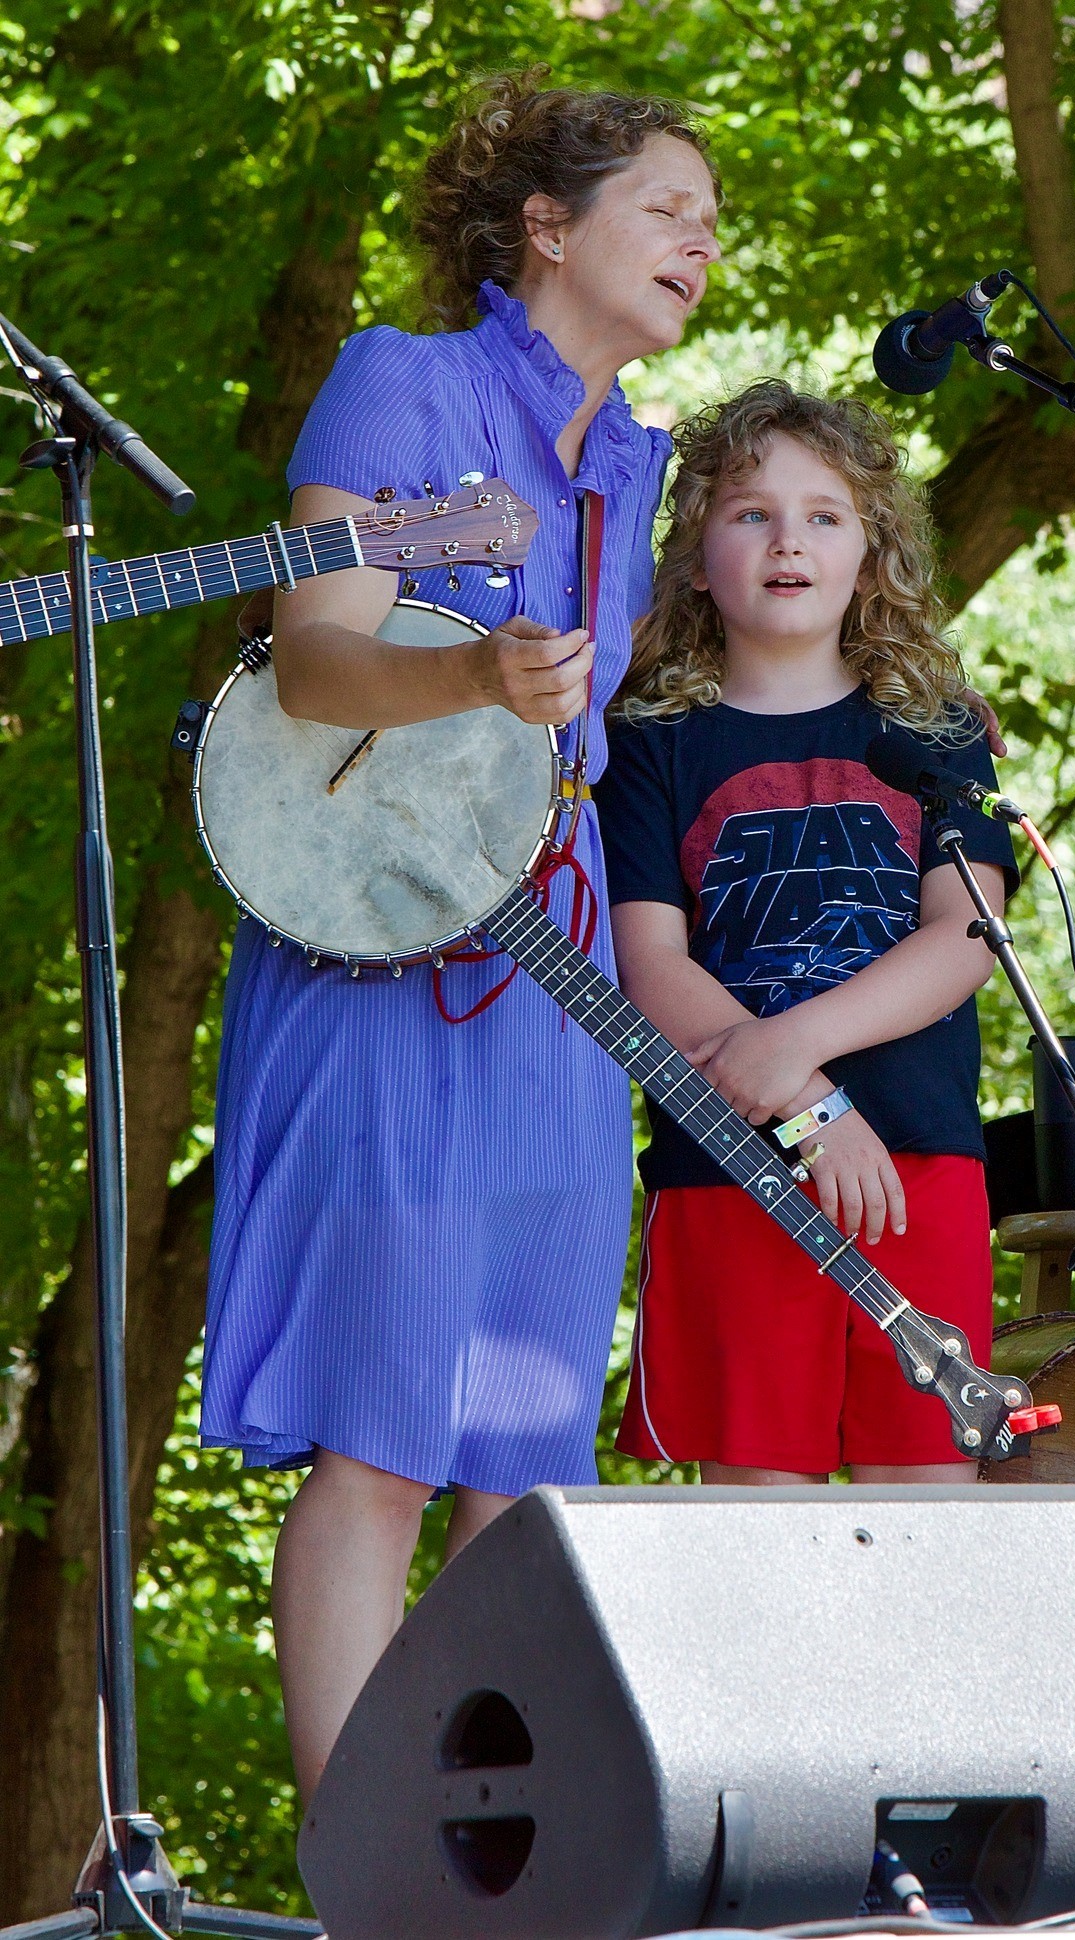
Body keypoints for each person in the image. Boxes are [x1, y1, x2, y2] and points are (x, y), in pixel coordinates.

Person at [198, 70, 721, 1802]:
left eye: (711, 222)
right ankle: (365, 1865)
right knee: (383, 1449)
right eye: (668, 206)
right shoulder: (402, 382)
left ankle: (507, 1859)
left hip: (552, 1002)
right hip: (385, 970)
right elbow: (321, 651)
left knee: (524, 1460)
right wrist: (471, 675)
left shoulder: (635, 461)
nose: (701, 241)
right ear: (547, 227)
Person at [594, 380, 1018, 1486]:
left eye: (824, 514)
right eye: (750, 513)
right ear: (693, 557)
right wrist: (805, 1103)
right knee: (758, 1526)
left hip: (921, 1164)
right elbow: (648, 961)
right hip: (727, 1167)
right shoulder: (645, 740)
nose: (790, 540)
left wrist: (795, 1045)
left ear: (872, 553)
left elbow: (968, 934)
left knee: (926, 1502)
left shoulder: (938, 726)